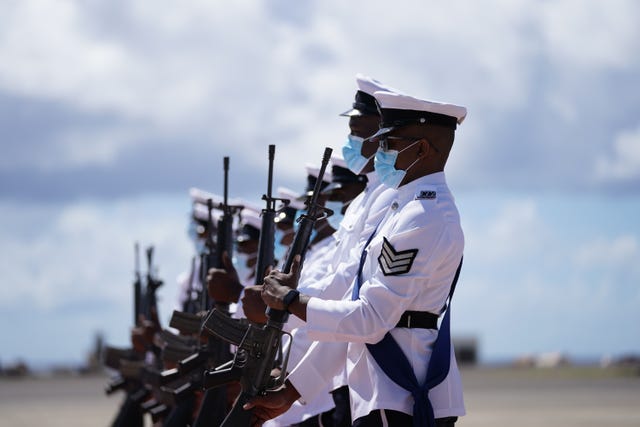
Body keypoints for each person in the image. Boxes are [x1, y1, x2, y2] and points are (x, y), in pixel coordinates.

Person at [252, 89, 468, 427]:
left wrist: (292, 301)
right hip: (384, 394)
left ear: (422, 149)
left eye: (388, 143)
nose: (378, 152)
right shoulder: (402, 209)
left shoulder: (425, 215)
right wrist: (292, 391)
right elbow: (356, 320)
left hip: (405, 395)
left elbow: (368, 320)